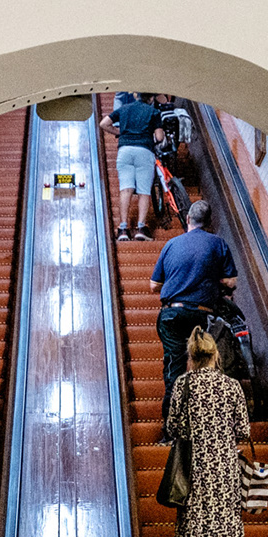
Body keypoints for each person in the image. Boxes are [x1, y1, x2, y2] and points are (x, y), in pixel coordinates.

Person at [166, 326, 251, 537]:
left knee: (191, 528)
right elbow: (243, 430)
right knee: (228, 528)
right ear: (216, 355)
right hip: (225, 469)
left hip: (192, 468)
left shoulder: (183, 384)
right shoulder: (231, 387)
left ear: (191, 356)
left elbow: (172, 427)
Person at [149, 200, 238, 408]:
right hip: (202, 315)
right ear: (209, 222)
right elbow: (231, 281)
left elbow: (154, 285)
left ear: (188, 219)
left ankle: (171, 428)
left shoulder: (171, 244)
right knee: (204, 365)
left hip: (172, 315)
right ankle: (205, 417)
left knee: (174, 367)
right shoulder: (218, 243)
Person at [100, 92, 165, 240]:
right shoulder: (153, 112)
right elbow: (160, 137)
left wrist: (119, 132)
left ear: (136, 96)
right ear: (151, 98)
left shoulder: (125, 108)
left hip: (124, 151)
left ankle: (123, 229)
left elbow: (103, 123)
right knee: (143, 191)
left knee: (126, 188)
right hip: (144, 151)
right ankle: (141, 228)